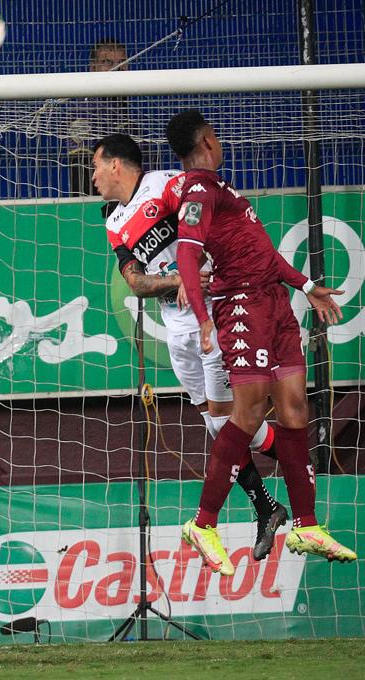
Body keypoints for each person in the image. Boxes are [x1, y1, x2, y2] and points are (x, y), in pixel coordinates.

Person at [164, 109, 356, 574]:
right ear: (208, 140)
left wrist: (306, 286)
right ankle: (203, 523)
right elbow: (188, 253)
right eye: (217, 134)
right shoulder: (197, 191)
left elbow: (264, 254)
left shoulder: (224, 190)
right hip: (242, 305)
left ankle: (307, 524)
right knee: (247, 412)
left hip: (275, 302)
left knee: (294, 409)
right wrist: (201, 314)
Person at [91, 133, 288, 560]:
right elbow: (136, 282)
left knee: (225, 422)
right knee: (219, 426)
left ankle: (273, 495)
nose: (92, 178)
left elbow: (211, 223)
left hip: (212, 313)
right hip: (175, 329)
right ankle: (279, 486)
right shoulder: (112, 222)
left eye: (95, 167)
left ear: (116, 166)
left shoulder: (166, 186)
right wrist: (177, 280)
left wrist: (197, 274)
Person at [68, 39, 131, 196]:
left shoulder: (132, 105)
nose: (117, 69)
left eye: (122, 62)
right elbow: (82, 163)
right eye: (107, 62)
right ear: (93, 67)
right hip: (93, 194)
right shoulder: (83, 107)